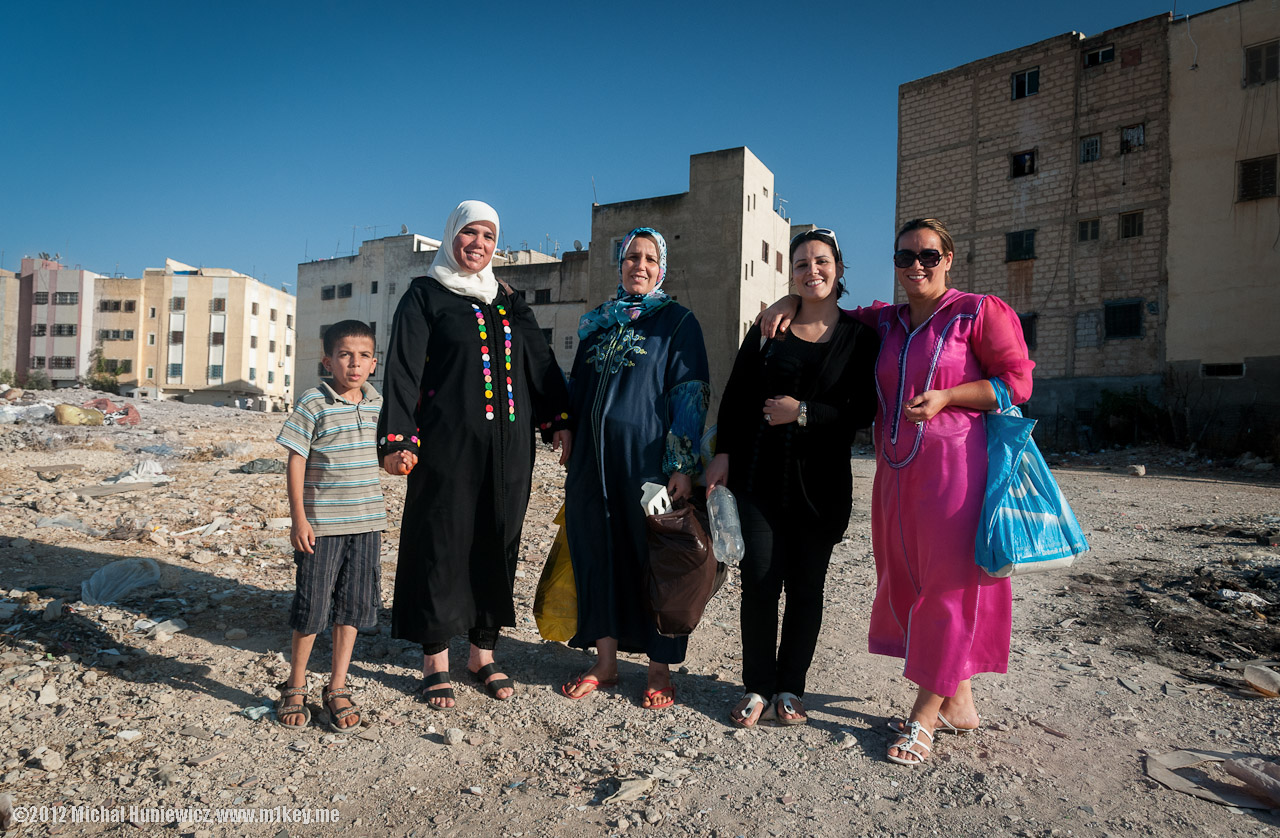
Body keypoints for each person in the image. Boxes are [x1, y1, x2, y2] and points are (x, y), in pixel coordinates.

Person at [759, 218, 1033, 764]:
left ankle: (923, 716)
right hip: (897, 477)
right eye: (904, 257)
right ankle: (959, 704)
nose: (916, 267)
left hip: (957, 474)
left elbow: (1016, 382)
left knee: (948, 590)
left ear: (948, 258)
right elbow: (828, 314)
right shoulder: (884, 322)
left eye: (928, 256)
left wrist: (950, 396)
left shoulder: (977, 312)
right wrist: (788, 302)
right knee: (908, 583)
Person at [378, 200, 571, 709]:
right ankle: (435, 658)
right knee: (442, 542)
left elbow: (541, 361)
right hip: (445, 447)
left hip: (510, 450)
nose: (478, 244)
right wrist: (399, 438)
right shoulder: (425, 294)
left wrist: (559, 421)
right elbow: (402, 370)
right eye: (470, 234)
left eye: (488, 236)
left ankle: (482, 653)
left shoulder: (508, 300)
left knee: (498, 540)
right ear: (452, 236)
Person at [705, 228, 879, 728]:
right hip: (759, 477)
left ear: (839, 269)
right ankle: (757, 686)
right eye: (801, 264)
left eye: (821, 262)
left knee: (807, 589)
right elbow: (737, 395)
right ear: (791, 274)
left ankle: (791, 688)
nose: (812, 271)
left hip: (821, 487)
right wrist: (723, 455)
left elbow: (860, 410)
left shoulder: (860, 337)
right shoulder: (769, 328)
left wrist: (802, 412)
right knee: (758, 583)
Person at [560, 227, 710, 710]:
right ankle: (604, 662)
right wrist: (564, 429)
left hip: (646, 464)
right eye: (631, 257)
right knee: (595, 552)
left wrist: (681, 464)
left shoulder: (677, 323)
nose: (638, 266)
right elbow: (575, 389)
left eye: (649, 258)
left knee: (654, 559)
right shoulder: (596, 325)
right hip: (591, 465)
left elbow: (689, 393)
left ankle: (659, 668)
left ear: (661, 267)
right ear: (620, 265)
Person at [275, 319, 393, 733]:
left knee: (353, 609)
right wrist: (299, 519)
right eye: (344, 355)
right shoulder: (313, 403)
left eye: (363, 356)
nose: (354, 364)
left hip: (366, 525)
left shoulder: (380, 405)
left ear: (374, 363)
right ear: (328, 361)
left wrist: (397, 462)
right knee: (311, 607)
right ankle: (295, 685)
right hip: (321, 527)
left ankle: (337, 686)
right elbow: (296, 459)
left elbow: (380, 457)